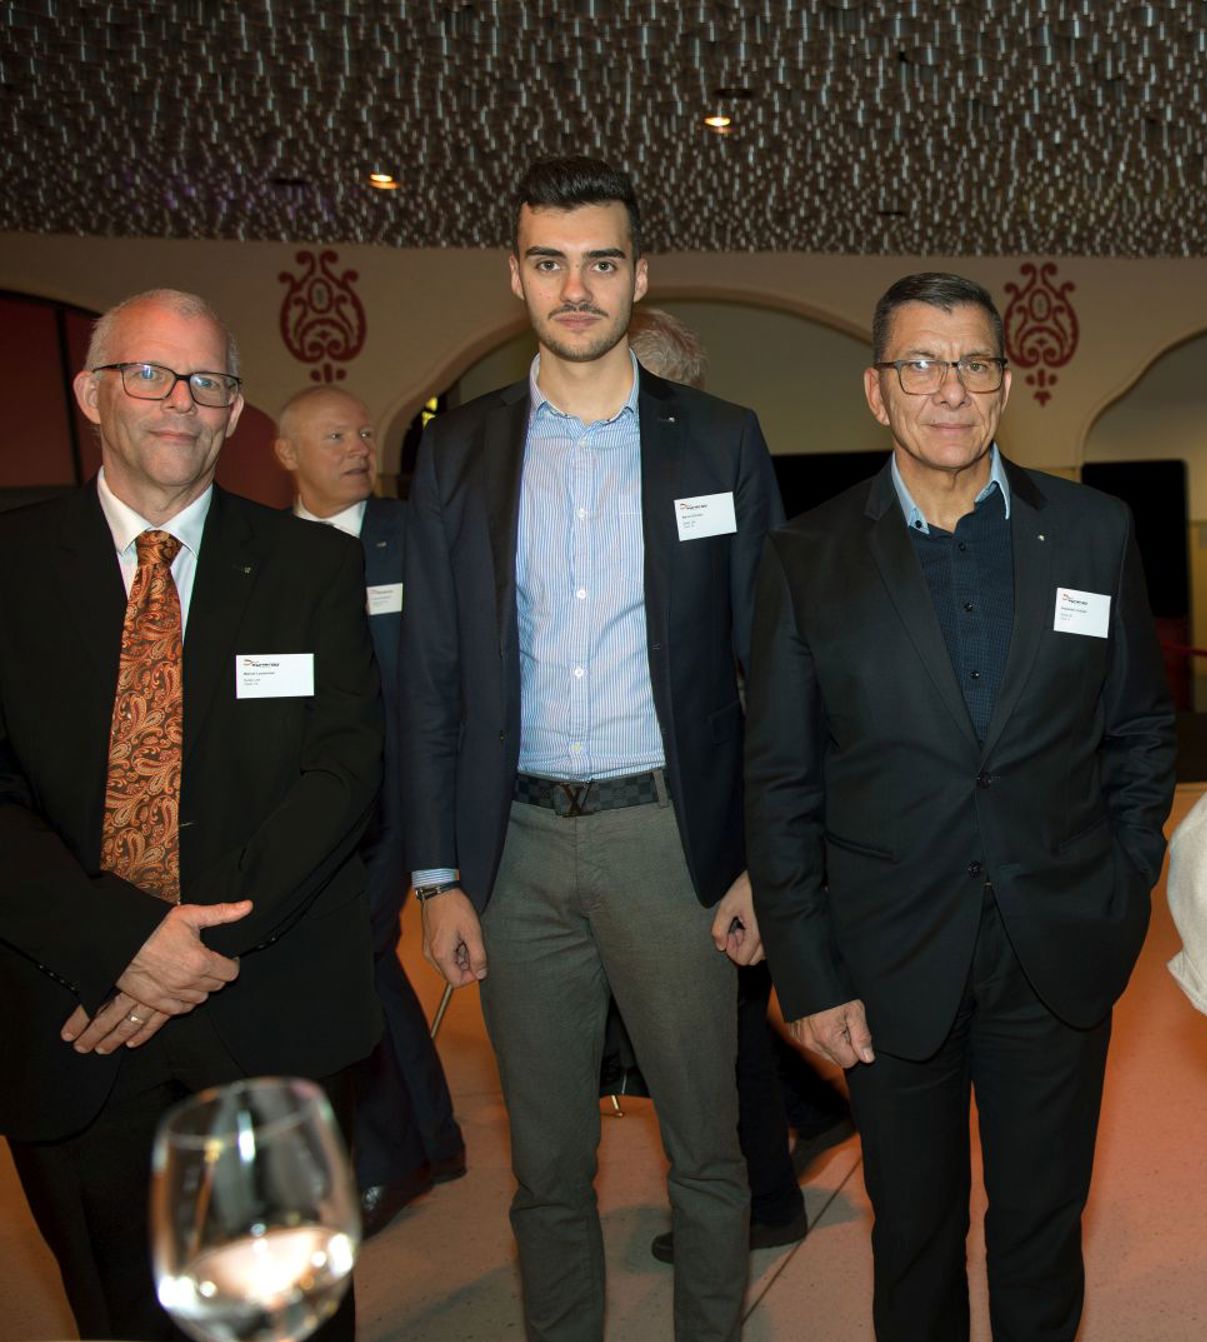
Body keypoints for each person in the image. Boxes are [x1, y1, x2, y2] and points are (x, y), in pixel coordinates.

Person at [748, 272, 1176, 1342]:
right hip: (886, 960)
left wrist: (1123, 885)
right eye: (920, 365)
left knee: (1042, 1228)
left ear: (1006, 385)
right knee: (913, 1235)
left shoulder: (1093, 532)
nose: (949, 389)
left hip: (1056, 947)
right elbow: (782, 780)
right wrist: (809, 972)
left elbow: (1138, 730)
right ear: (876, 390)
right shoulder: (807, 557)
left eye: (974, 364)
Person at [399, 157, 782, 1342]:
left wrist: (762, 859)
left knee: (706, 1147)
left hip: (671, 842)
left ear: (639, 276)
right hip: (511, 852)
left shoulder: (718, 441)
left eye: (601, 263)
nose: (576, 289)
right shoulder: (457, 450)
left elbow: (773, 670)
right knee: (546, 1166)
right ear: (514, 275)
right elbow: (431, 673)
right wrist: (437, 874)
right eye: (550, 262)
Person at [0, 289, 383, 1341]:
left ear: (234, 411)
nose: (181, 401)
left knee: (287, 1320)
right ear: (90, 394)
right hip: (77, 1020)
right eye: (150, 374)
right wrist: (125, 944)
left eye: (207, 382)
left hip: (267, 1008)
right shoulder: (11, 571)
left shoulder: (312, 566)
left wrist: (190, 945)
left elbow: (342, 772)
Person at [620, 305, 854, 1268]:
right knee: (726, 1005)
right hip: (647, 801)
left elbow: (769, 656)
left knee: (719, 1015)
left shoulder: (724, 478)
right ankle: (809, 1116)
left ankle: (764, 1199)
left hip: (723, 794)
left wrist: (772, 821)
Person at [273, 385, 467, 1236]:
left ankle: (395, 1156)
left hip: (408, 792)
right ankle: (429, 1139)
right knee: (365, 956)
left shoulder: (416, 536)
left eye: (362, 432)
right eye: (335, 436)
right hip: (318, 796)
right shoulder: (269, 554)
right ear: (288, 454)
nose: (359, 447)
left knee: (354, 952)